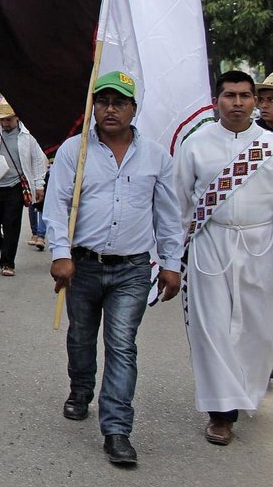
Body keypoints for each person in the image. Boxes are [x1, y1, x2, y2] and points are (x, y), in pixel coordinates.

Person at [45, 71, 182, 466]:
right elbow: (56, 205)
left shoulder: (156, 156)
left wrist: (171, 264)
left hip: (132, 270)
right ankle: (80, 389)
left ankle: (117, 429)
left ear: (133, 109)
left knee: (122, 344)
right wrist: (60, 253)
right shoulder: (75, 150)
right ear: (93, 107)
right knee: (81, 337)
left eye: (119, 102)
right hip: (83, 265)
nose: (110, 109)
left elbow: (168, 215)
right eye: (103, 101)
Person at [173, 70, 273, 446]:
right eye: (230, 95)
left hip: (261, 245)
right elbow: (179, 202)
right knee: (212, 328)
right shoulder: (195, 145)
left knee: (257, 329)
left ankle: (245, 390)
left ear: (254, 101)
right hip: (210, 243)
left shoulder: (269, 145)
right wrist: (172, 257)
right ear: (217, 101)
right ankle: (221, 412)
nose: (237, 103)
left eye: (245, 96)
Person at [0, 101, 48, 276]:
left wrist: (39, 185)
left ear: (17, 118)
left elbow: (38, 160)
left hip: (15, 186)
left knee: (12, 224)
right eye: (2, 120)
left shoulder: (28, 135)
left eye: (8, 120)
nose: (5, 123)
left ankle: (8, 263)